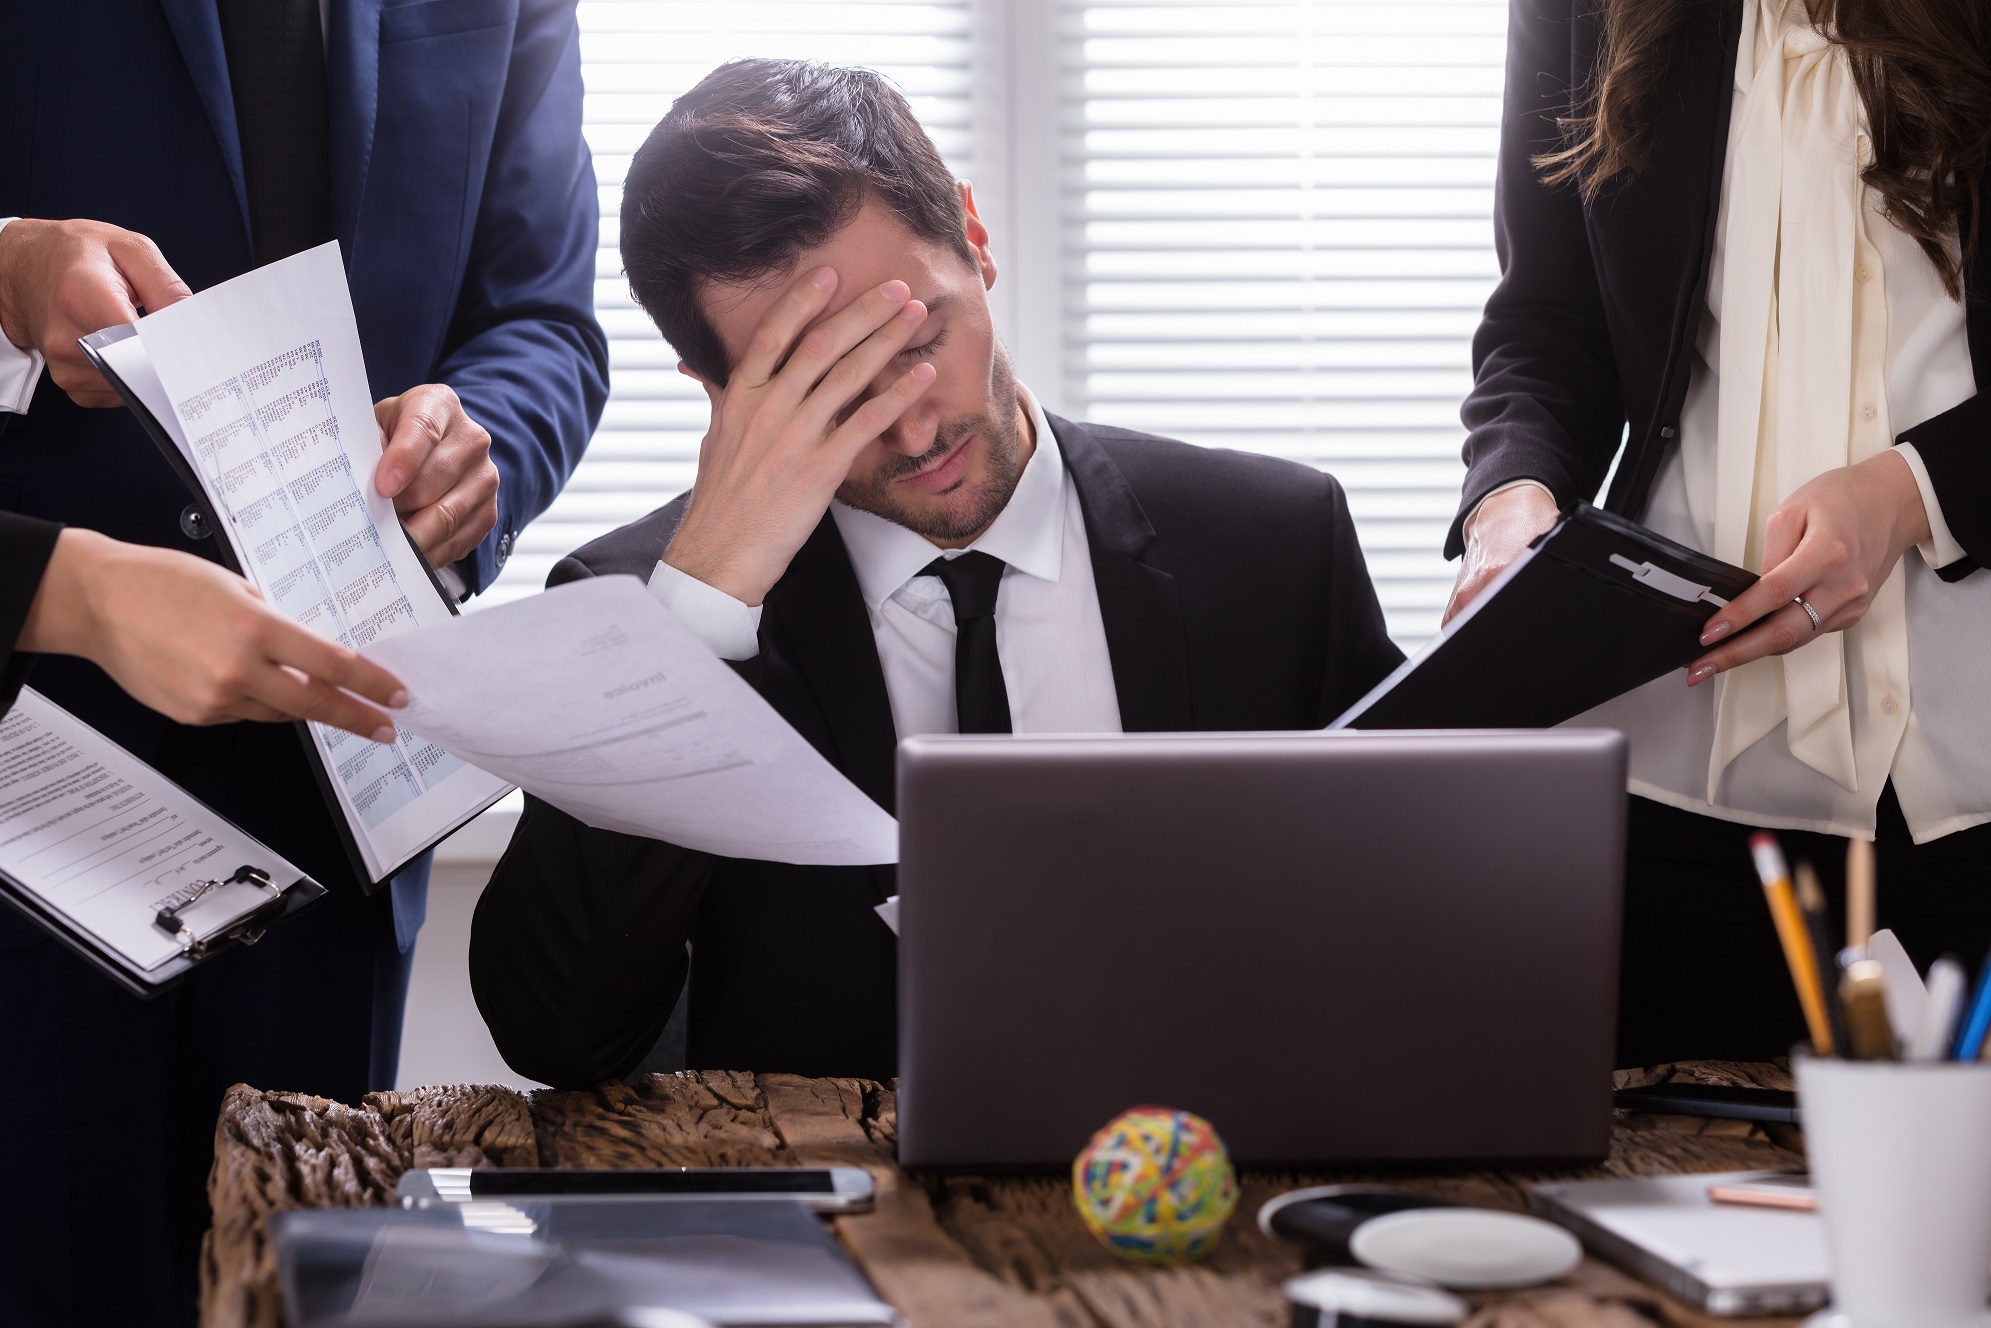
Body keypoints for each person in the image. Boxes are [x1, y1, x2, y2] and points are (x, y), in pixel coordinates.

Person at [467, 59, 1403, 1087]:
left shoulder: (1275, 547)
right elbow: (554, 1031)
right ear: (714, 393)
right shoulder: (645, 613)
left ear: (973, 234)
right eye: (829, 390)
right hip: (842, 1232)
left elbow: (1416, 927)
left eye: (917, 336)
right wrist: (699, 609)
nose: (912, 427)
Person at [0, 1, 607, 1323]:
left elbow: (544, 319)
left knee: (306, 1294)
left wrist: (476, 451)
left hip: (342, 789)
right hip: (27, 778)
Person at [1447, 0, 1991, 1064]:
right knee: (1658, 1193)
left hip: (1966, 773)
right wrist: (1509, 501)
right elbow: (1543, 327)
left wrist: (1906, 492)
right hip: (1674, 779)